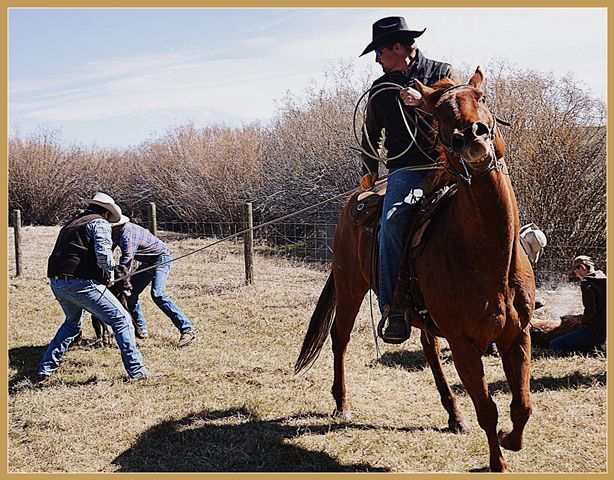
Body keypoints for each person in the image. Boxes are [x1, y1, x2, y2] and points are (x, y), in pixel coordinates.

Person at [359, 16, 460, 343]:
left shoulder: (441, 73)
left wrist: (424, 101)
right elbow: (371, 135)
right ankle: (393, 307)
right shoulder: (380, 89)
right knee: (391, 220)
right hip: (407, 171)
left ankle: (514, 286)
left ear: (397, 48)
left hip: (451, 166)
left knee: (495, 198)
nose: (376, 59)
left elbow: (459, 111)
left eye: (379, 52)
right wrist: (370, 170)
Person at [39, 192, 149, 381]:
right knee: (122, 320)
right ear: (106, 213)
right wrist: (111, 275)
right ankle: (137, 372)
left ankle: (46, 367)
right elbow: (103, 256)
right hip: (80, 283)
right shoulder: (99, 223)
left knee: (72, 324)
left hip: (57, 282)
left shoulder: (71, 224)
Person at [110, 215, 196, 348]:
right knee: (131, 295)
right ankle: (141, 330)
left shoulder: (127, 235)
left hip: (161, 258)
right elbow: (108, 250)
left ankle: (187, 330)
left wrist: (117, 279)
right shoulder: (116, 233)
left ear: (117, 226)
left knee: (157, 294)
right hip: (147, 261)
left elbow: (126, 261)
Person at [548, 255, 606, 353]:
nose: (577, 276)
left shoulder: (587, 283)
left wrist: (579, 319)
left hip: (595, 331)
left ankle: (595, 348)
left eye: (576, 272)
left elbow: (591, 311)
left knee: (554, 344)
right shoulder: (605, 280)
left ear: (582, 267)